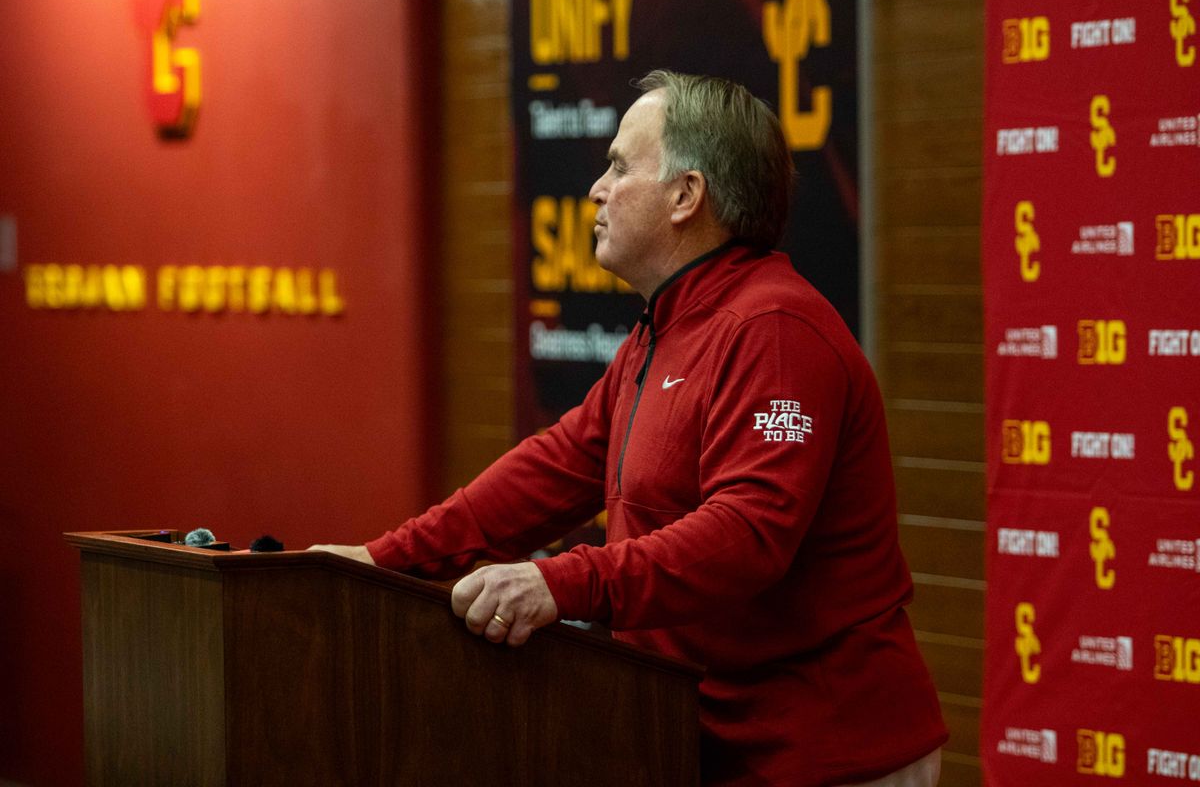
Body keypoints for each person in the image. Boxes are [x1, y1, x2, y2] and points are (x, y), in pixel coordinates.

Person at [312, 70, 947, 787]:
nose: (596, 189)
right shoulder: (663, 330)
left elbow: (749, 536)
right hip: (701, 738)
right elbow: (549, 473)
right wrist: (380, 561)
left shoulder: (774, 330)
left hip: (830, 754)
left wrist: (562, 582)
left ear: (687, 196)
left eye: (619, 165)